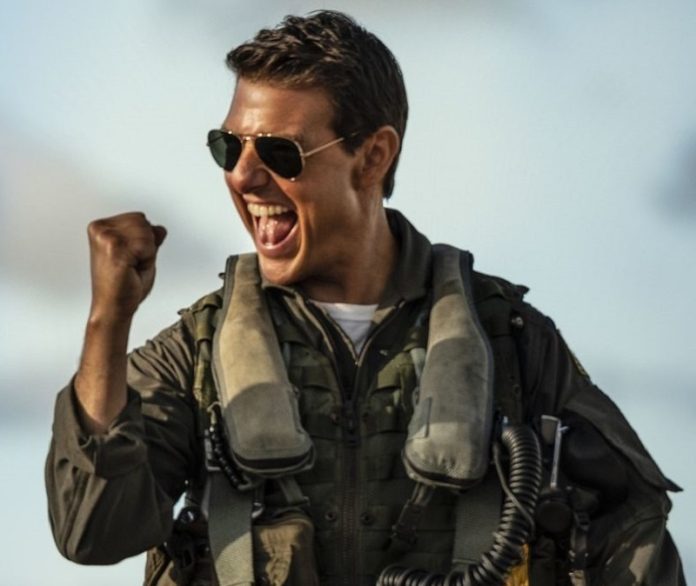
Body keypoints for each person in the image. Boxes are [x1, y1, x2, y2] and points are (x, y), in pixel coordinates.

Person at [45, 10, 685, 586]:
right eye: (228, 146)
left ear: (373, 156)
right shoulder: (196, 354)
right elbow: (92, 532)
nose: (242, 175)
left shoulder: (512, 344)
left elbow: (634, 535)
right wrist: (108, 321)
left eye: (280, 152)